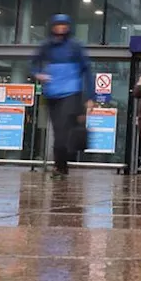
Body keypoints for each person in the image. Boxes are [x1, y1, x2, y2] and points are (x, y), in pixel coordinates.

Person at [31, 15, 94, 178]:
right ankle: (62, 166)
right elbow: (33, 63)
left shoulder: (75, 46)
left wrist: (90, 96)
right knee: (59, 130)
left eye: (64, 24)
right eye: (58, 24)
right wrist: (38, 74)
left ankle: (60, 166)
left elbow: (87, 70)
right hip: (53, 93)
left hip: (71, 92)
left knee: (63, 131)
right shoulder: (46, 45)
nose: (61, 28)